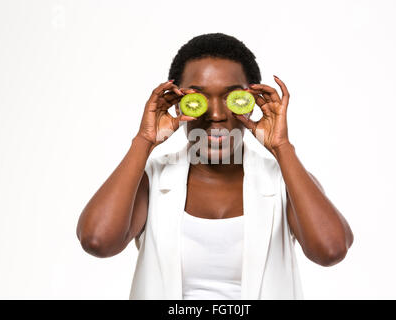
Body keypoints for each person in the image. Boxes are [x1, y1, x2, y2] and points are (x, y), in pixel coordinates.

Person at [76, 33, 354, 300]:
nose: (217, 115)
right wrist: (144, 140)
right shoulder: (149, 180)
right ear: (176, 102)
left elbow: (330, 251)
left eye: (233, 98)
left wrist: (282, 147)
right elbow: (98, 241)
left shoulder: (285, 181)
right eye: (198, 98)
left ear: (252, 102)